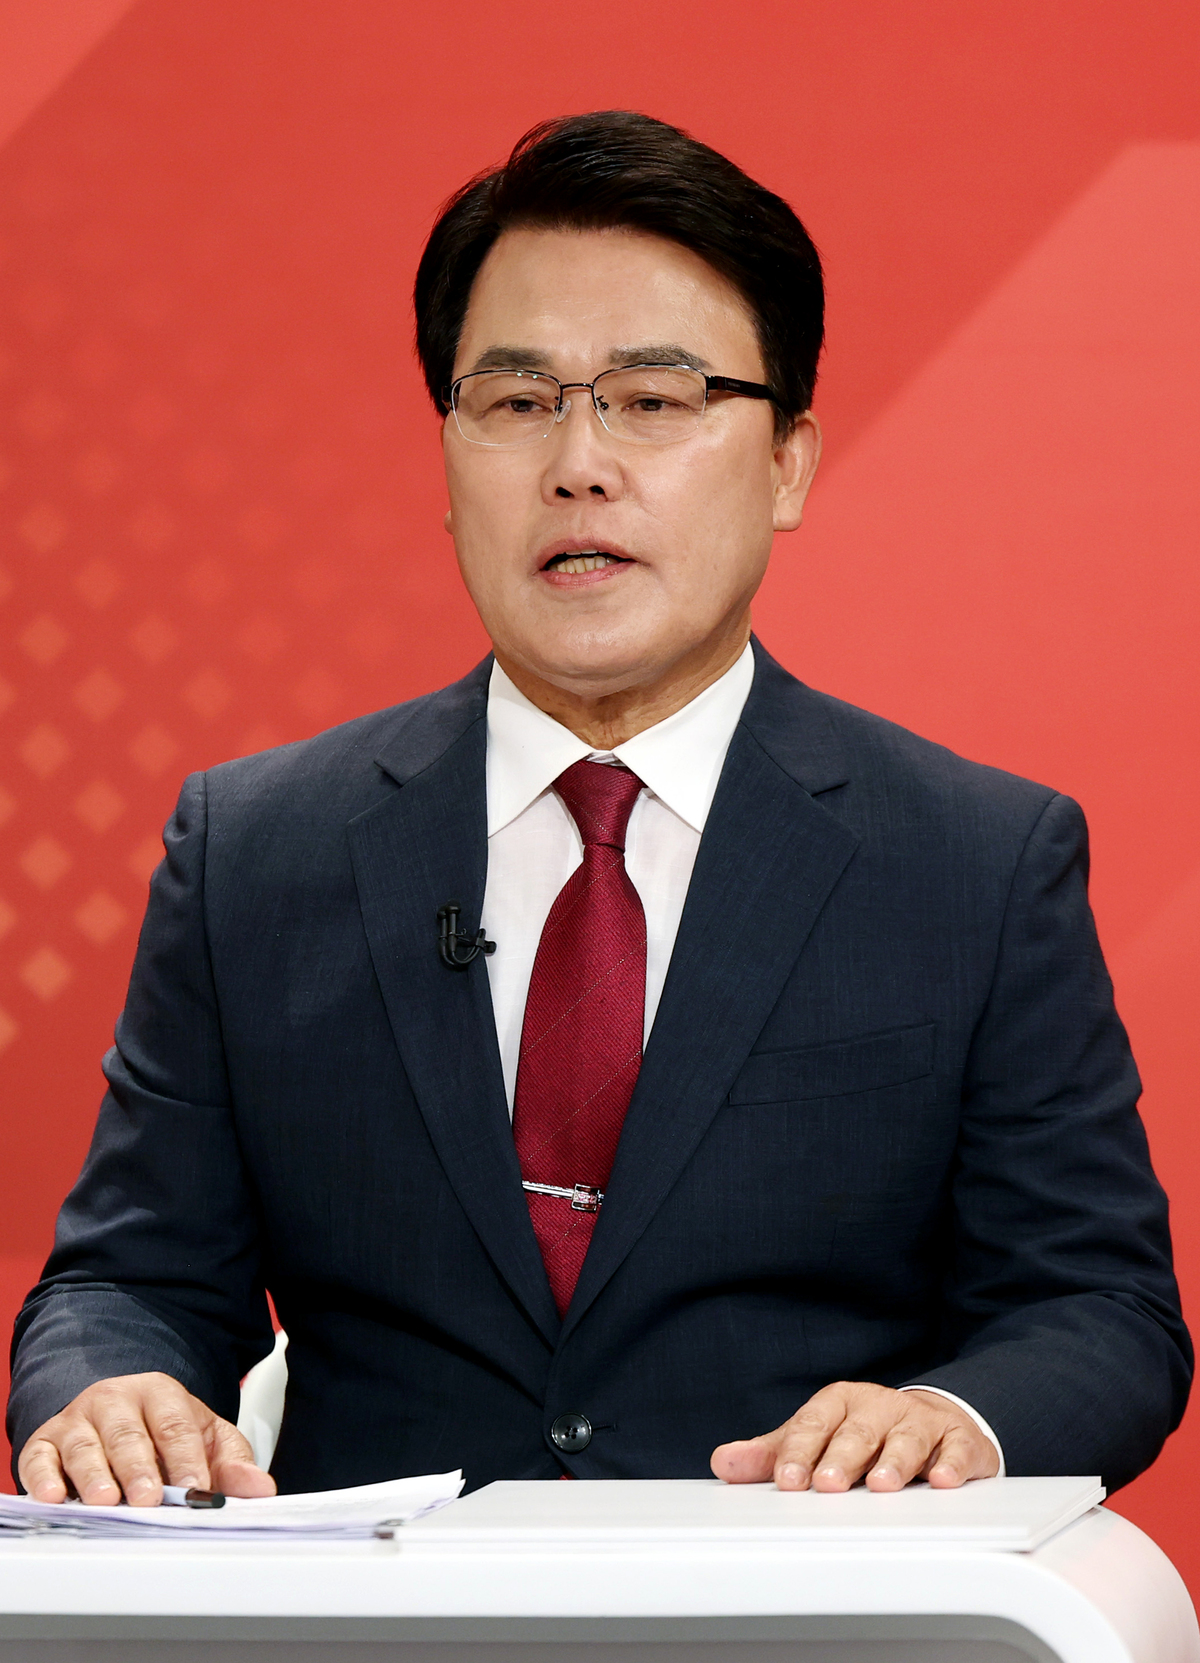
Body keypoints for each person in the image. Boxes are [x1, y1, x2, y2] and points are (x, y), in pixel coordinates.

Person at [8, 112, 1189, 1507]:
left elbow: (1098, 1307)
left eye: (654, 398)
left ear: (788, 462)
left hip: (802, 1599)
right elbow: (129, 1281)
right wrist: (108, 1389)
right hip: (381, 1609)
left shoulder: (975, 864)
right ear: (448, 459)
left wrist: (953, 1417)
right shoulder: (256, 854)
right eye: (518, 404)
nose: (578, 462)